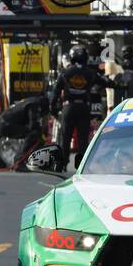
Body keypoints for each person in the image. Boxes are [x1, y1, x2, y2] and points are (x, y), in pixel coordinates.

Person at [50, 43, 108, 171]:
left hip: (68, 108)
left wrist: (53, 108)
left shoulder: (65, 73)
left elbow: (55, 93)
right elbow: (105, 82)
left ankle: (62, 164)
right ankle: (81, 166)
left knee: (65, 137)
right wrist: (118, 84)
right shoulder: (90, 73)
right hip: (83, 108)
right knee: (83, 140)